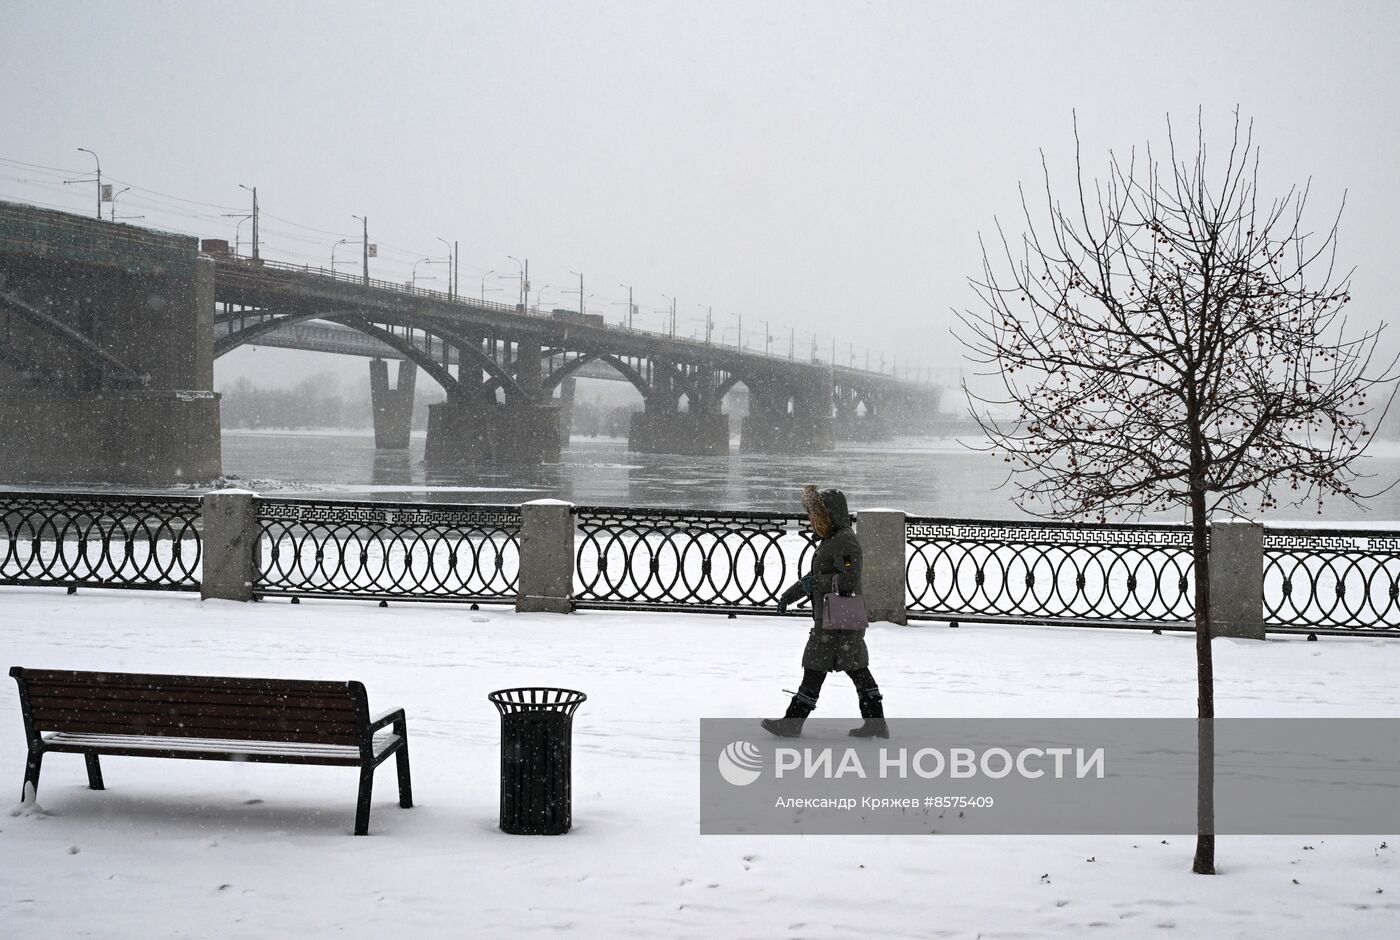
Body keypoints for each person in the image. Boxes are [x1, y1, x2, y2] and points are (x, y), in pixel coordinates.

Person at [762, 484, 888, 739]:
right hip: (837, 619)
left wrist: (817, 583)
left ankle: (792, 723)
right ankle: (875, 723)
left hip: (838, 619)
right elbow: (818, 575)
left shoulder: (844, 542)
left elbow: (849, 580)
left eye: (814, 515)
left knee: (818, 668)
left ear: (829, 514)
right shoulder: (833, 539)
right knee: (853, 669)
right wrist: (792, 592)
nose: (810, 520)